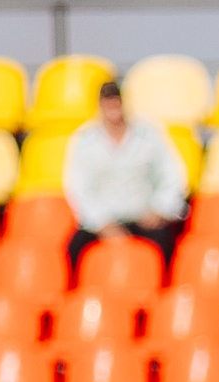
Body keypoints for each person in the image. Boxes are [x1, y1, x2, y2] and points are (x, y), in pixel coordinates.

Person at [61, 79, 187, 270]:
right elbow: (78, 187)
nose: (113, 105)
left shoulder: (149, 134)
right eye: (107, 100)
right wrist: (103, 224)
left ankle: (165, 295)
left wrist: (159, 210)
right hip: (102, 222)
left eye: (116, 99)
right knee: (73, 250)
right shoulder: (85, 140)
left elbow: (172, 174)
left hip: (145, 218)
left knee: (167, 247)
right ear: (100, 105)